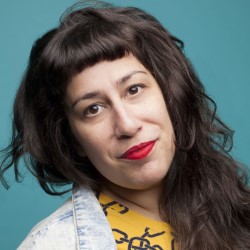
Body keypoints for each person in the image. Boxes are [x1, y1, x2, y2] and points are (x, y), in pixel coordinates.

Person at [1, 1, 250, 249]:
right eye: (93, 109)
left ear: (168, 94)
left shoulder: (235, 206)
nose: (127, 125)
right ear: (73, 139)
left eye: (133, 90)